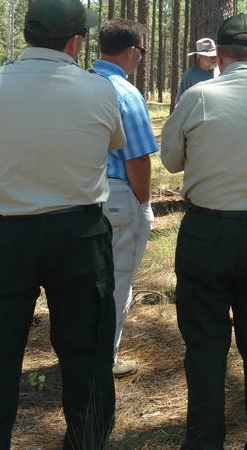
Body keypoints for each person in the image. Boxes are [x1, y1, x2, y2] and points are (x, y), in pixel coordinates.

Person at [0, 0, 123, 450]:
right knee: (87, 355)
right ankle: (86, 442)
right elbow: (112, 143)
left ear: (27, 33)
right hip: (78, 235)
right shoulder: (99, 89)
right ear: (76, 42)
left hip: (2, 233)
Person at [160, 14, 247, 449]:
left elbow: (169, 160)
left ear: (219, 54)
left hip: (207, 233)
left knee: (204, 347)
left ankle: (204, 441)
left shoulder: (199, 96)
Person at [90, 19, 158, 378]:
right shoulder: (124, 92)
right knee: (117, 281)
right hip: (116, 196)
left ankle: (82, 349)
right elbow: (137, 157)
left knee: (86, 280)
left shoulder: (81, 83)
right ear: (132, 51)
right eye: (141, 53)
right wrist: (143, 202)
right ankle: (104, 358)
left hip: (78, 193)